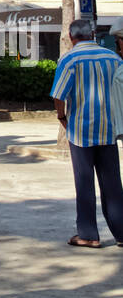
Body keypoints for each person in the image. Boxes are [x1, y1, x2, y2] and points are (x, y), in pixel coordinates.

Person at [51, 17, 123, 248]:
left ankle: (89, 235)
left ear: (71, 37)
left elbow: (59, 95)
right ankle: (121, 233)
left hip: (80, 131)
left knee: (84, 183)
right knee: (113, 184)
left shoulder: (70, 59)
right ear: (92, 35)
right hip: (109, 129)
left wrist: (62, 117)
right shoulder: (113, 57)